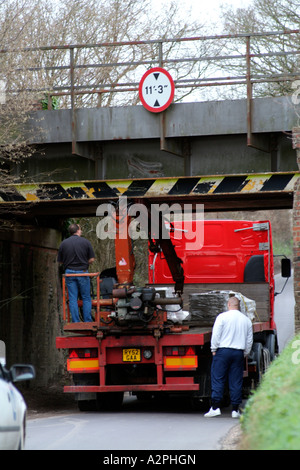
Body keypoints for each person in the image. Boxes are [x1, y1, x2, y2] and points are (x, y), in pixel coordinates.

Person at [204, 296, 253, 419]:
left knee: (218, 378)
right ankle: (235, 409)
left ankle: (215, 407)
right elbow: (249, 340)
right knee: (236, 381)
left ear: (228, 304)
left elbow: (216, 335)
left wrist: (213, 349)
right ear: (238, 305)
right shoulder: (246, 320)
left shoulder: (222, 317)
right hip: (238, 352)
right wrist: (244, 353)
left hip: (223, 351)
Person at [58, 223, 95, 322]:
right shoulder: (86, 242)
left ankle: (75, 321)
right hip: (82, 272)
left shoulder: (63, 243)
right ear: (78, 230)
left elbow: (61, 261)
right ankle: (87, 320)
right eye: (81, 229)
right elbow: (91, 259)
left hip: (69, 273)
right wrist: (84, 262)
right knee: (86, 298)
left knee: (72, 298)